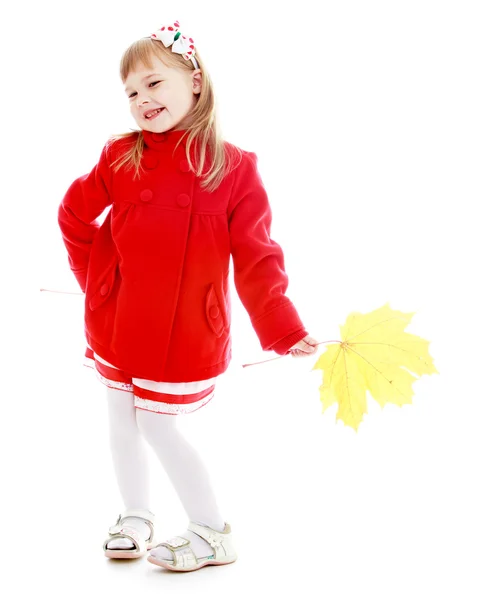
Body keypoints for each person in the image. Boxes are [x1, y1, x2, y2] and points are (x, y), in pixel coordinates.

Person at [58, 20, 320, 572]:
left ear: (195, 82)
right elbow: (73, 215)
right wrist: (95, 286)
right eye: (131, 91)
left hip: (183, 329)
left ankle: (211, 530)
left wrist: (283, 326)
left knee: (156, 422)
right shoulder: (119, 156)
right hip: (116, 319)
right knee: (119, 414)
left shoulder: (233, 167)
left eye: (154, 83)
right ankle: (135, 513)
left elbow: (257, 257)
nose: (141, 99)